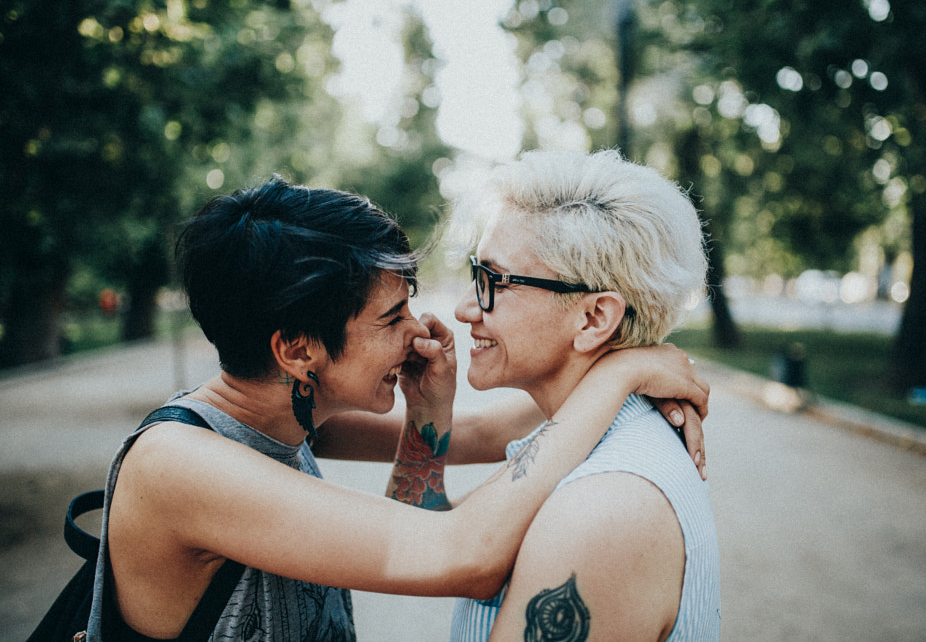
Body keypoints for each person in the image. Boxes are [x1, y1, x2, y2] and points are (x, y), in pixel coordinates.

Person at [85, 175, 710, 640]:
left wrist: (433, 406)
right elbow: (461, 552)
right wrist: (620, 373)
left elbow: (488, 436)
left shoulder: (287, 419)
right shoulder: (181, 466)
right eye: (391, 317)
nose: (421, 332)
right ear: (299, 350)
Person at [447, 150, 722, 641]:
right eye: (475, 273)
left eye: (494, 281)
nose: (465, 308)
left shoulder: (602, 510)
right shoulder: (576, 428)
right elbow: (433, 537)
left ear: (594, 318)